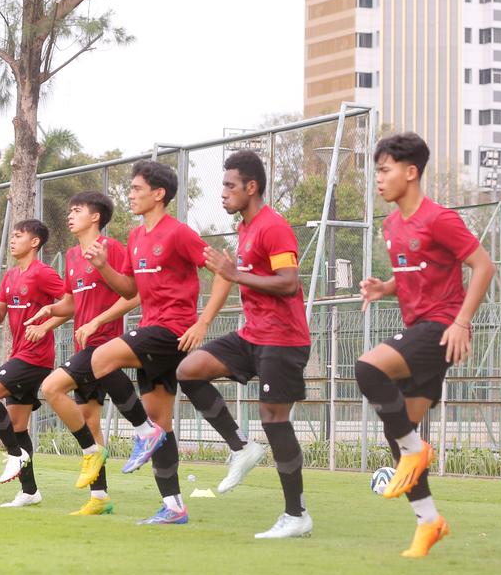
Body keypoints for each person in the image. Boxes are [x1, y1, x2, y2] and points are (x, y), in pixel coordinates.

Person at [356, 132, 494, 557]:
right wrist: (386, 287)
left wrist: (462, 322)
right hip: (419, 328)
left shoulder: (440, 218)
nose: (379, 179)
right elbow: (417, 272)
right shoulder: (392, 225)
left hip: (440, 329)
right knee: (396, 430)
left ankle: (416, 451)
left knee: (367, 368)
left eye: (385, 170)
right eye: (377, 171)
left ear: (411, 172)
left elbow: (483, 266)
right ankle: (429, 520)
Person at [175, 150, 314, 538]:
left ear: (251, 187)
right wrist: (229, 279)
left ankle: (296, 514)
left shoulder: (273, 227)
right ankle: (241, 446)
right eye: (223, 185)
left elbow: (288, 282)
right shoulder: (245, 228)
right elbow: (239, 276)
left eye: (229, 185)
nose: (223, 193)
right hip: (253, 334)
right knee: (189, 370)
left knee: (274, 421)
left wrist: (235, 275)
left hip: (283, 339)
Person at [86, 160, 233, 525]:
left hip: (172, 330)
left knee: (100, 358)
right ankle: (174, 506)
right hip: (151, 327)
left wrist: (202, 322)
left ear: (158, 194)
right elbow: (130, 290)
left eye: (136, 188)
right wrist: (104, 266)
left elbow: (224, 273)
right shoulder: (136, 236)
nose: (130, 194)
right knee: (161, 422)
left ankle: (143, 433)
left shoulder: (179, 233)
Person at [28, 192, 141, 516]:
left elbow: (134, 294)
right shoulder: (72, 255)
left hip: (104, 345)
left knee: (51, 387)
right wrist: (49, 312)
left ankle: (100, 448)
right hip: (85, 345)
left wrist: (98, 321)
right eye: (69, 210)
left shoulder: (112, 248)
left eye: (76, 210)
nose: (70, 215)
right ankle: (100, 497)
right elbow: (71, 302)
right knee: (90, 420)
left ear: (95, 217)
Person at [0, 219, 66, 507]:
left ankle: (15, 455)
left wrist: (45, 326)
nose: (12, 240)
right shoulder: (12, 275)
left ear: (34, 242)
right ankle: (29, 491)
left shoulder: (43, 273)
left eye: (18, 235)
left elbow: (71, 304)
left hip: (35, 358)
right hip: (19, 354)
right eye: (12, 235)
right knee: (17, 426)